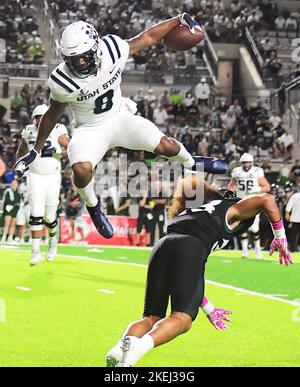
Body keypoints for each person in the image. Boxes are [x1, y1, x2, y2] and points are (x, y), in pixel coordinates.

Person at [15, 16, 227, 241]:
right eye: (73, 60)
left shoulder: (112, 49)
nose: (79, 64)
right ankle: (93, 206)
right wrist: (36, 149)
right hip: (89, 129)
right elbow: (51, 114)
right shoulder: (61, 80)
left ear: (96, 48)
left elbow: (148, 36)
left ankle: (192, 162)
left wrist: (178, 19)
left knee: (166, 145)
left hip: (119, 117)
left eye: (83, 58)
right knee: (80, 169)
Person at [106, 174, 292, 367]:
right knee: (182, 319)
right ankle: (134, 352)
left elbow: (187, 278)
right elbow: (266, 199)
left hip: (162, 246)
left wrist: (209, 309)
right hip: (190, 246)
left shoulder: (196, 211)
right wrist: (280, 236)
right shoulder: (233, 208)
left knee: (151, 317)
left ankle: (118, 350)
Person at [16, 104, 70, 266]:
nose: (40, 120)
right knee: (36, 212)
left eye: (42, 117)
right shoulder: (28, 131)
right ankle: (35, 251)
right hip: (34, 175)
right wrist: (21, 164)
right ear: (34, 118)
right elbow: (21, 152)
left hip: (53, 176)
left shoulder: (58, 129)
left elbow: (72, 147)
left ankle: (53, 241)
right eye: (37, 117)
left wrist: (59, 151)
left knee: (49, 216)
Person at [228, 153, 271, 259]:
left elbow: (267, 187)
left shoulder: (257, 171)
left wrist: (258, 190)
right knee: (241, 227)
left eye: (248, 162)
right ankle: (245, 250)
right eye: (244, 162)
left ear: (252, 162)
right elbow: (231, 185)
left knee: (254, 228)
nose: (246, 164)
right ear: (241, 163)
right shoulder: (237, 171)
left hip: (253, 202)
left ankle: (257, 250)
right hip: (241, 201)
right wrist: (231, 192)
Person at [1, 179, 21, 243]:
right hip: (8, 210)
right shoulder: (8, 191)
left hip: (15, 210)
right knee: (7, 224)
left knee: (13, 225)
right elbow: (6, 201)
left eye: (15, 184)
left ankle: (10, 237)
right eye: (13, 184)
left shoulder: (18, 194)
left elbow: (18, 202)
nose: (14, 185)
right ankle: (4, 237)